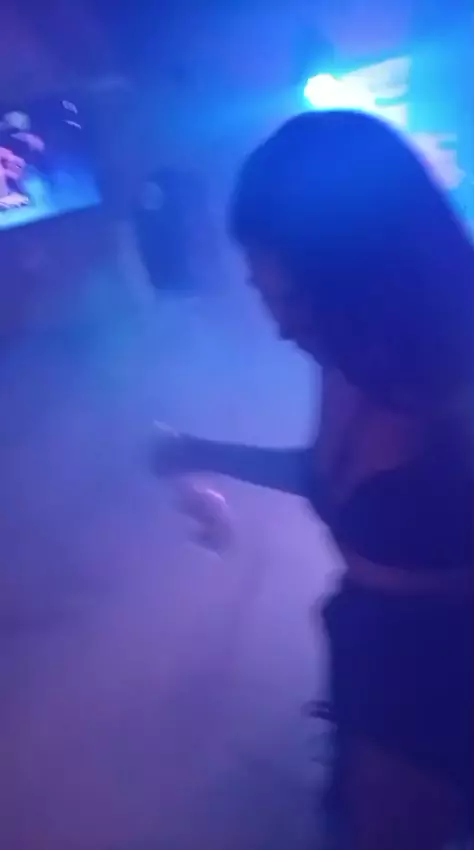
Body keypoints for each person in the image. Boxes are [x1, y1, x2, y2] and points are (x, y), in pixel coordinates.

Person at [153, 110, 473, 850]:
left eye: (293, 299)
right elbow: (334, 482)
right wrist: (200, 451)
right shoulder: (348, 354)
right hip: (373, 654)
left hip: (443, 677)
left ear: (364, 272)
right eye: (265, 295)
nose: (279, 327)